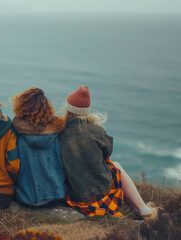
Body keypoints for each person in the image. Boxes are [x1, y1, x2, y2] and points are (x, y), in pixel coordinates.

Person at [59, 85, 158, 219]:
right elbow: (107, 153)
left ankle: (141, 209)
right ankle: (143, 209)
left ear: (68, 108)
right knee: (116, 166)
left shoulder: (60, 133)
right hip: (101, 194)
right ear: (86, 110)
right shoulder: (97, 131)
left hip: (76, 195)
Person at [11, 87, 67, 207]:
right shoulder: (57, 130)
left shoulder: (17, 131)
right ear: (47, 107)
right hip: (56, 196)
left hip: (26, 197)